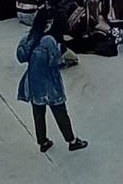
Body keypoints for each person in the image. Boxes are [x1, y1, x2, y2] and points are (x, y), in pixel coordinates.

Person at [15, 12, 87, 154]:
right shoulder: (49, 41)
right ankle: (72, 141)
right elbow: (56, 62)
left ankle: (43, 141)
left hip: (33, 82)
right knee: (60, 112)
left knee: (38, 113)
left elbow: (21, 56)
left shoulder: (28, 38)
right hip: (50, 83)